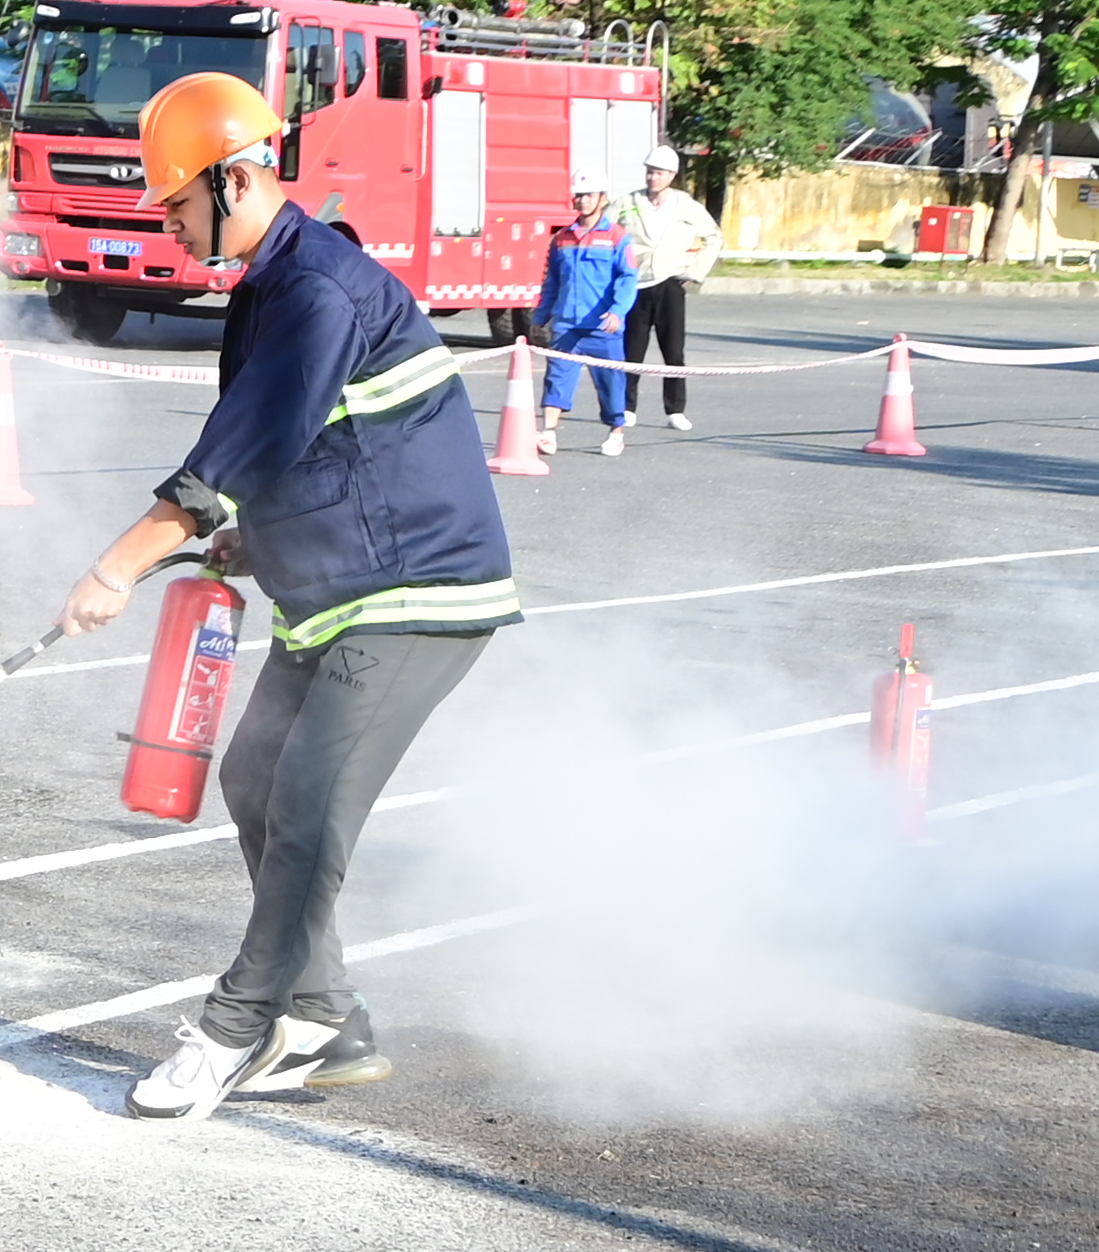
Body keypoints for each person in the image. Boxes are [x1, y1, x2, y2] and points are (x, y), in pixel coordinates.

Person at [52, 73, 519, 1119]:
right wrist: (250, 542)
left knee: (309, 800)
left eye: (176, 205)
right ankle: (327, 1019)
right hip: (340, 587)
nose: (169, 228)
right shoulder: (270, 283)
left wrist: (118, 564)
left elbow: (231, 453)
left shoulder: (316, 288)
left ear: (239, 176)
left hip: (416, 589)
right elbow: (320, 448)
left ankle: (233, 1026)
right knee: (258, 779)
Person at [533, 184, 644, 458]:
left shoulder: (618, 238)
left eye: (589, 195)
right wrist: (540, 316)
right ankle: (548, 433)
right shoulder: (562, 238)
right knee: (557, 378)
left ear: (602, 199)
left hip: (602, 327)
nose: (582, 201)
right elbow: (552, 282)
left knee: (610, 382)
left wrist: (618, 311)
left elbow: (628, 278)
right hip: (566, 325)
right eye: (579, 195)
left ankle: (615, 433)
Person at [619, 143, 721, 434]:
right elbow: (608, 231)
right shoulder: (628, 201)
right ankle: (626, 407)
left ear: (672, 175)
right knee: (632, 350)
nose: (653, 178)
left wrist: (696, 271)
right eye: (650, 172)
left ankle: (675, 409)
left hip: (671, 283)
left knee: (673, 351)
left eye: (659, 173)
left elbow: (714, 237)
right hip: (637, 284)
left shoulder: (686, 205)